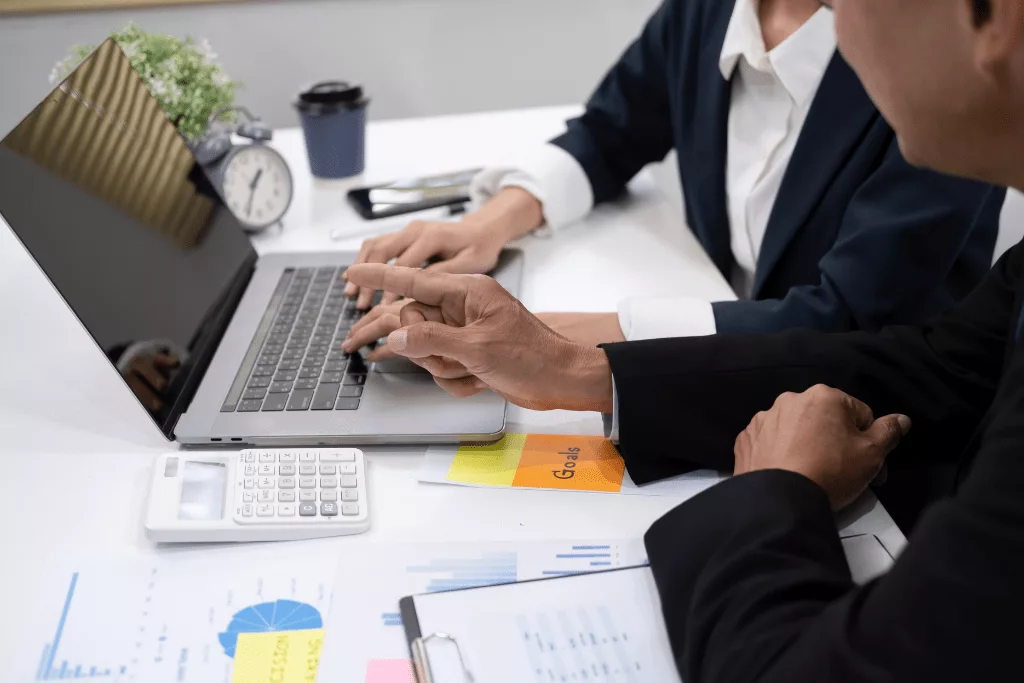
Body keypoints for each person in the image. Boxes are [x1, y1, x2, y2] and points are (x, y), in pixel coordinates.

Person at [343, 0, 1024, 675]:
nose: (845, 24)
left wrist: (776, 490)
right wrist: (576, 366)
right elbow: (941, 362)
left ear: (997, 19)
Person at [341, 0, 1005, 359]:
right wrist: (486, 225)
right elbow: (613, 129)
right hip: (726, 366)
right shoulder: (707, 11)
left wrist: (538, 335)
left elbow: (845, 319)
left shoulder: (927, 70)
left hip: (878, 423)